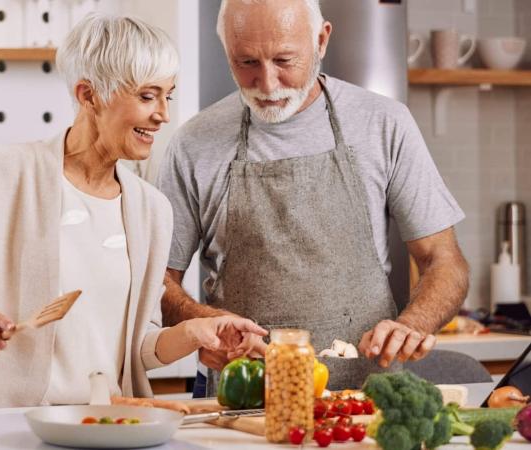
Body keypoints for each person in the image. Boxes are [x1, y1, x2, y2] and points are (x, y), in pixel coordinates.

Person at [0, 13, 266, 410]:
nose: (163, 114)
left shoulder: (150, 210)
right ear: (88, 96)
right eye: (146, 96)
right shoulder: (4, 172)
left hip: (105, 426)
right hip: (2, 427)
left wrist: (196, 332)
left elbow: (139, 348)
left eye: (166, 96)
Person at [156, 0, 470, 395]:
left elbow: (445, 260)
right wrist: (199, 322)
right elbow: (158, 280)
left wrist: (413, 324)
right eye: (247, 63)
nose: (267, 84)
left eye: (284, 60)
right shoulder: (193, 143)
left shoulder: (384, 124)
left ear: (321, 41)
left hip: (368, 401)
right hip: (246, 401)